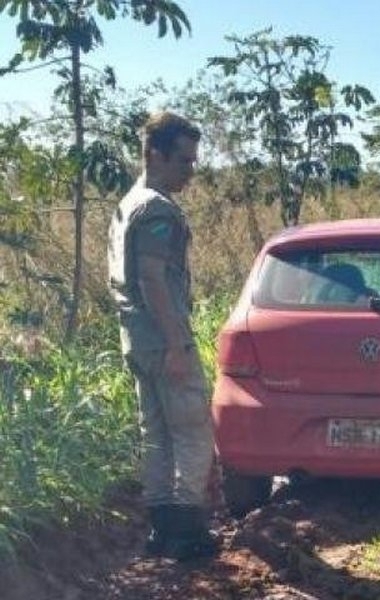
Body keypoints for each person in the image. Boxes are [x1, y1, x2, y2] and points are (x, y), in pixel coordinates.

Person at [108, 111, 217, 560]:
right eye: (183, 161)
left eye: (193, 161)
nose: (190, 171)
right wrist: (177, 344)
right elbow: (153, 280)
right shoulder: (156, 209)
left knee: (155, 433)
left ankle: (161, 528)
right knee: (192, 430)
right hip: (163, 338)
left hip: (135, 339)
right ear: (155, 154)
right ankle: (187, 532)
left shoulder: (128, 202)